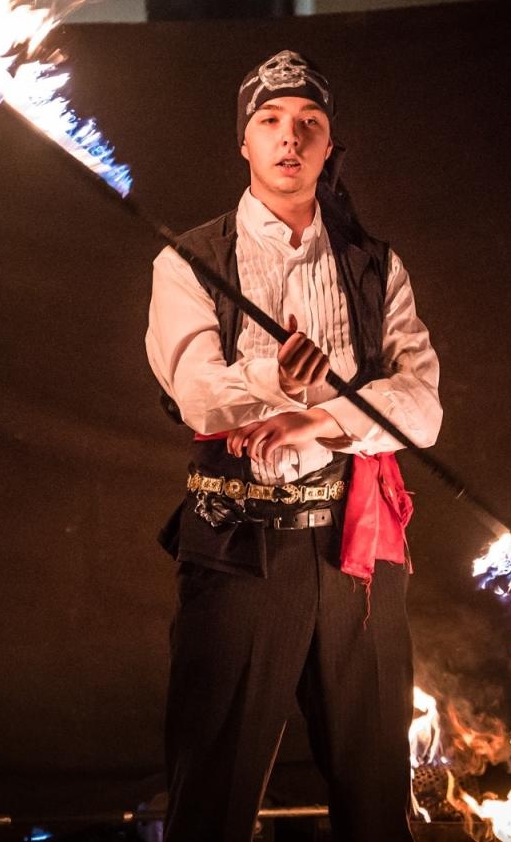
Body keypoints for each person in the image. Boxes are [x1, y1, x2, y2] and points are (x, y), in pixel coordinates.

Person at [146, 49, 443, 842]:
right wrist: (285, 378)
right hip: (242, 551)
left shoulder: (377, 269)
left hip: (359, 554)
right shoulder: (188, 261)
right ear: (243, 142)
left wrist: (316, 416)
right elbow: (201, 395)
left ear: (329, 144)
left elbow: (422, 408)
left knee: (379, 801)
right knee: (212, 797)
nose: (290, 137)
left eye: (309, 123)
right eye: (270, 121)